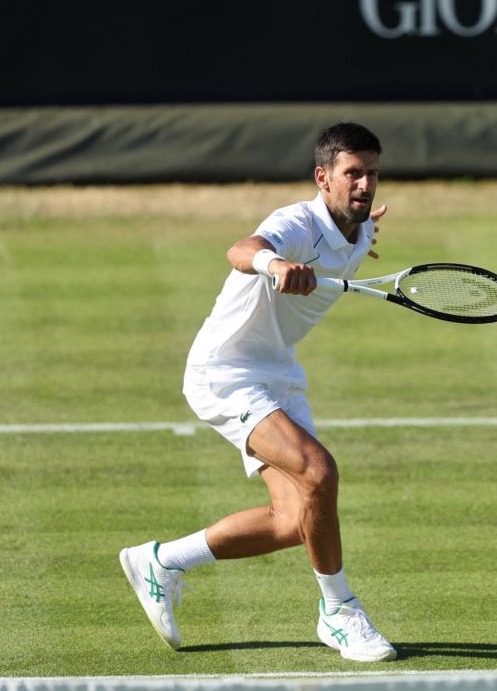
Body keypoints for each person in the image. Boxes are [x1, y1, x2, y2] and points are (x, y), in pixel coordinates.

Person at [119, 122, 396, 662]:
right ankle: (339, 613)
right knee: (319, 472)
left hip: (277, 374)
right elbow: (242, 248)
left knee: (299, 518)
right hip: (224, 373)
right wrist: (276, 264)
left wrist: (360, 237)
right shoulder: (293, 223)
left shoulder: (359, 230)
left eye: (373, 175)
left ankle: (161, 561)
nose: (365, 185)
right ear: (323, 177)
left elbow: (349, 237)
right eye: (353, 174)